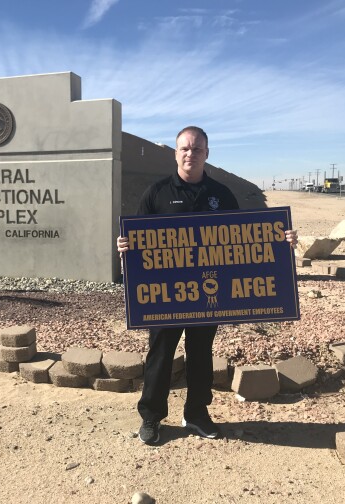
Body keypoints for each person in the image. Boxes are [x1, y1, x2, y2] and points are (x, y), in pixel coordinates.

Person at [116, 126, 297, 445]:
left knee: (201, 353)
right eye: (184, 148)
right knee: (160, 354)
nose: (190, 154)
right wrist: (126, 246)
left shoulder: (222, 194)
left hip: (207, 295)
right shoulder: (155, 193)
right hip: (166, 295)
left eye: (197, 149)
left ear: (207, 153)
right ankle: (152, 417)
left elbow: (243, 240)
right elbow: (138, 239)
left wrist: (280, 240)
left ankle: (196, 414)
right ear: (176, 153)